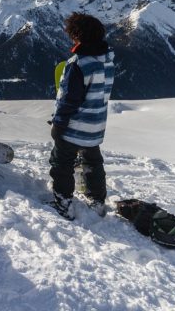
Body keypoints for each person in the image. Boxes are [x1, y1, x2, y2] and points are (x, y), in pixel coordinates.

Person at [50, 12, 115, 219]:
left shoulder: (78, 63)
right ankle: (97, 200)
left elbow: (70, 99)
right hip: (95, 125)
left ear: (77, 35)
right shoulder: (107, 61)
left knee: (62, 163)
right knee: (93, 163)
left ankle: (63, 203)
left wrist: (59, 123)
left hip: (74, 126)